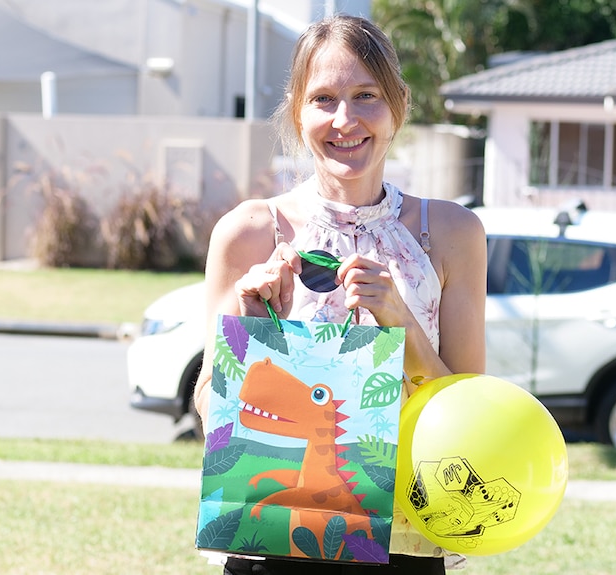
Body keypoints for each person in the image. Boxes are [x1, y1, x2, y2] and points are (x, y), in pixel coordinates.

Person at [193, 13, 486, 575]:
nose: (344, 119)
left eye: (366, 95)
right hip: (273, 536)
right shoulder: (249, 232)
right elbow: (212, 410)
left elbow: (470, 417)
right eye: (323, 98)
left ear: (398, 103)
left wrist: (402, 325)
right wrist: (251, 332)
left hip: (403, 545)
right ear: (298, 111)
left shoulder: (451, 234)